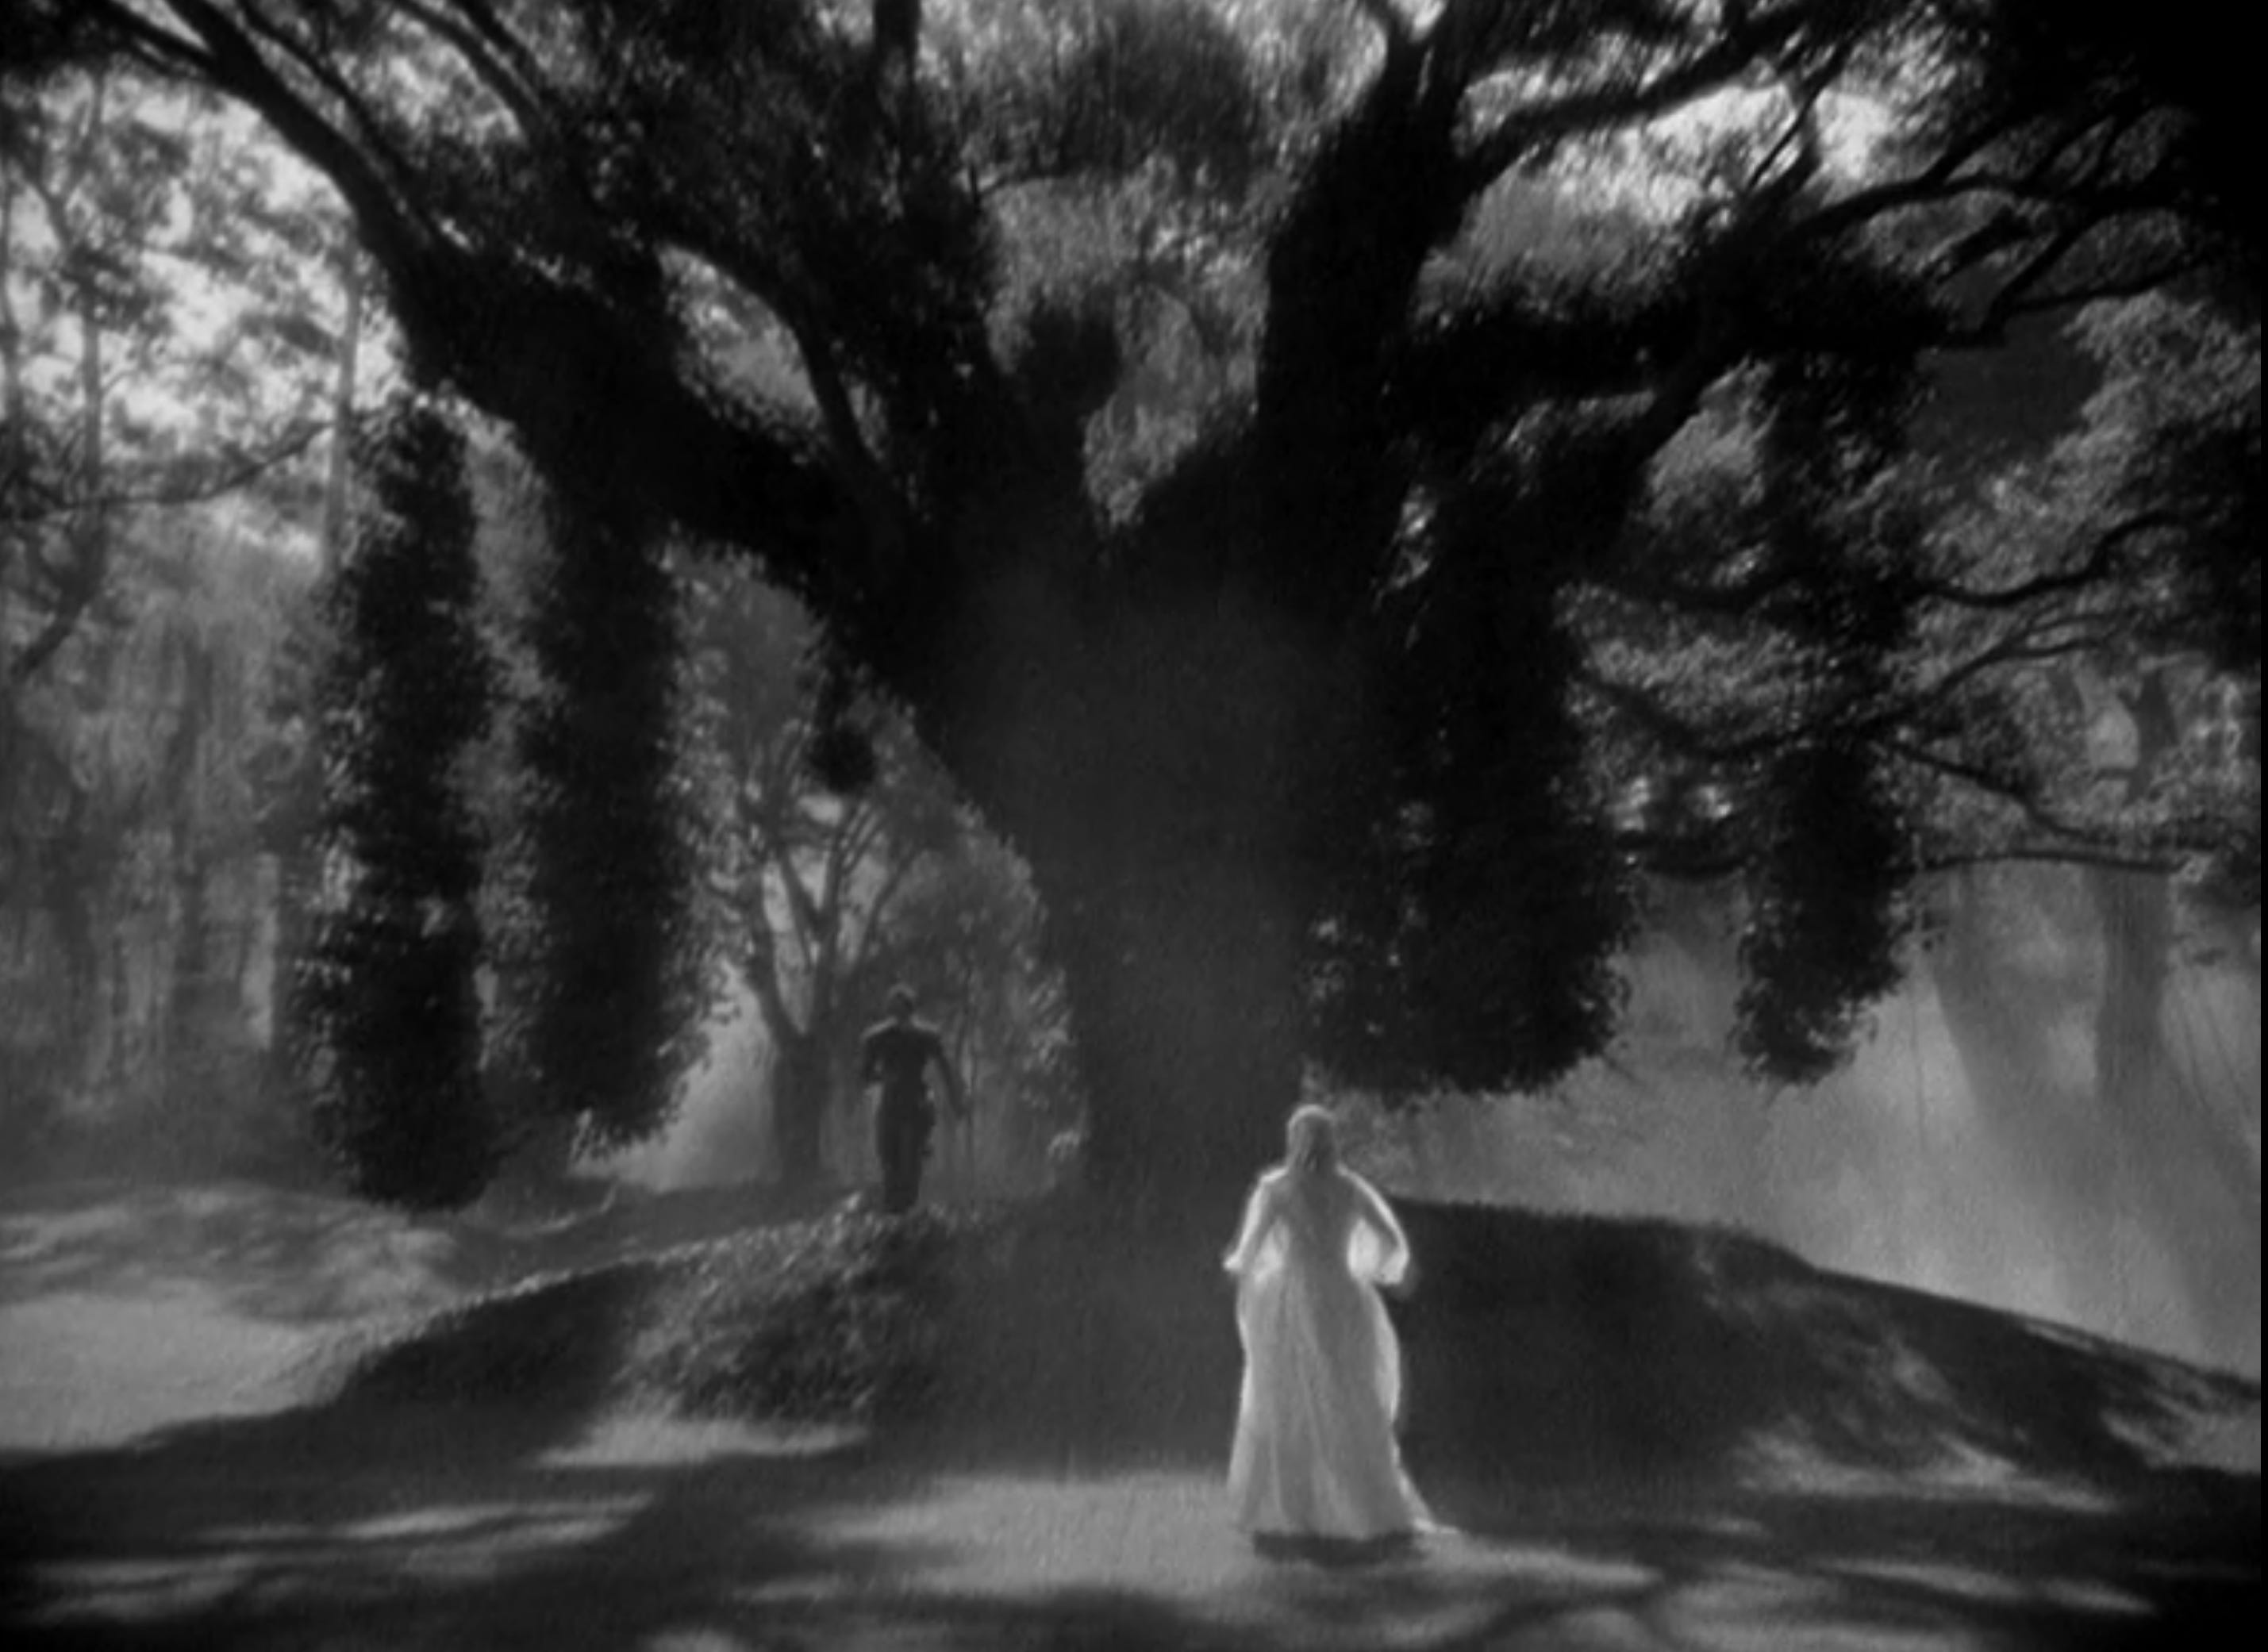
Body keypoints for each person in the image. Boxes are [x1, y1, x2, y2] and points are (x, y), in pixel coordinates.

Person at [1221, 1105, 1431, 1547]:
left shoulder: (1277, 1190)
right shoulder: (1350, 1189)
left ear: (1294, 1140)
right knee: (1348, 1396)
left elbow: (1250, 1251)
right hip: (1343, 1297)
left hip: (1294, 1299)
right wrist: (1364, 1267)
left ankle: (1294, 1507)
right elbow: (1391, 1243)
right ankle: (1364, 1504)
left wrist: (1257, 1274)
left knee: (1288, 1399)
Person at [859, 985, 967, 1214]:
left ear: (909, 1010)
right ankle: (894, 1213)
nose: (900, 1017)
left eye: (902, 1010)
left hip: (914, 1103)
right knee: (891, 1163)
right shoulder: (879, 1038)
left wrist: (955, 1100)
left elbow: (945, 1068)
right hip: (893, 1104)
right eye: (896, 1010)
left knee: (908, 1165)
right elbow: (865, 1075)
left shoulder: (924, 1036)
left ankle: (904, 1212)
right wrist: (883, 1077)